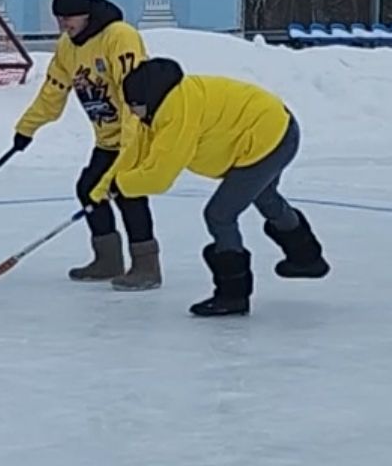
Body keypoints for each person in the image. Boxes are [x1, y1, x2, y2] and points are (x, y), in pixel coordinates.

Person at [97, 58, 330, 317]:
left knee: (220, 214)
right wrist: (105, 186)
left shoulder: (176, 114)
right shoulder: (165, 103)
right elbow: (137, 152)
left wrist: (121, 185)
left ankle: (233, 295)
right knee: (265, 197)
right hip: (276, 127)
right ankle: (307, 257)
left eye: (134, 105)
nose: (131, 112)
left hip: (270, 138)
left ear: (148, 99)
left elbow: (159, 177)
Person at [13, 0, 158, 289]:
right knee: (90, 189)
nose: (63, 25)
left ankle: (147, 266)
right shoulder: (67, 47)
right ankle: (108, 260)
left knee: (128, 192)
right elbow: (52, 93)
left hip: (136, 133)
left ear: (86, 15)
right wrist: (26, 129)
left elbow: (134, 93)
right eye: (59, 19)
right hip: (107, 138)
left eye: (68, 18)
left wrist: (129, 149)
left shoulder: (119, 36)